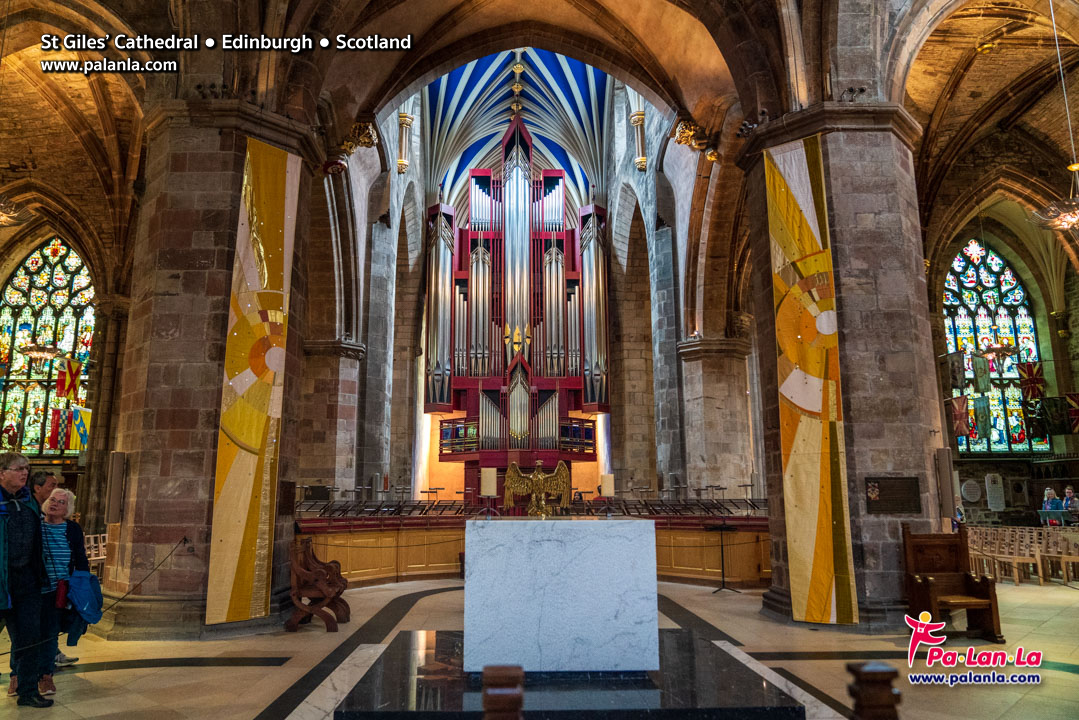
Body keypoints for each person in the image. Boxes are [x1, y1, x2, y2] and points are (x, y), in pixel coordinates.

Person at [0, 452, 52, 708]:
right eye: (19, 468)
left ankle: (28, 691)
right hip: (1, 581)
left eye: (27, 469)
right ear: (2, 472)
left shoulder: (29, 501)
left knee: (31, 638)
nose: (25, 473)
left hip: (27, 582)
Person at [35, 488, 88, 697]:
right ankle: (17, 675)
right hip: (34, 588)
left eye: (61, 502)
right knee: (26, 633)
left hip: (59, 590)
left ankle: (46, 676)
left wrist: (83, 588)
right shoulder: (36, 525)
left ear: (68, 509)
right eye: (52, 499)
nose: (54, 504)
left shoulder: (72, 529)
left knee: (49, 634)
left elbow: (80, 559)